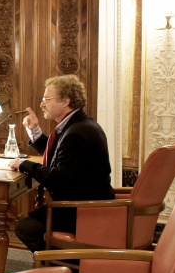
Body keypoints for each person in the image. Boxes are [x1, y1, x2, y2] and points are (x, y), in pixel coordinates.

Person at [9, 74, 113, 252]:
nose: (42, 104)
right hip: (86, 201)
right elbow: (60, 156)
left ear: (65, 101)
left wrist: (23, 164)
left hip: (82, 210)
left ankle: (64, 267)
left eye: (46, 99)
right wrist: (35, 132)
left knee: (25, 229)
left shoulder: (77, 132)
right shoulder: (79, 124)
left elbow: (59, 178)